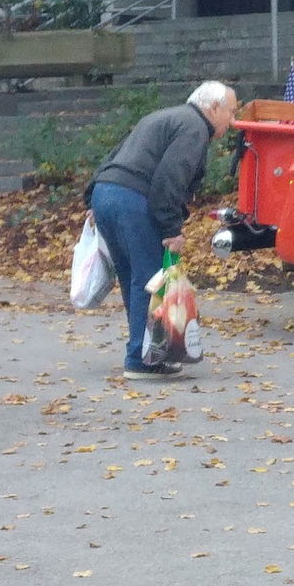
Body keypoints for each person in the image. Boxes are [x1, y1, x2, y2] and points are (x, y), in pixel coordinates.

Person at [83, 81, 239, 378]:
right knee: (150, 279)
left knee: (133, 278)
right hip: (133, 200)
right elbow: (170, 179)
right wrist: (171, 228)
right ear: (213, 108)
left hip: (107, 194)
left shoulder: (163, 116)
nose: (232, 122)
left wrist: (92, 197)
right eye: (231, 112)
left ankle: (143, 352)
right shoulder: (194, 127)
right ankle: (141, 360)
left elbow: (116, 154)